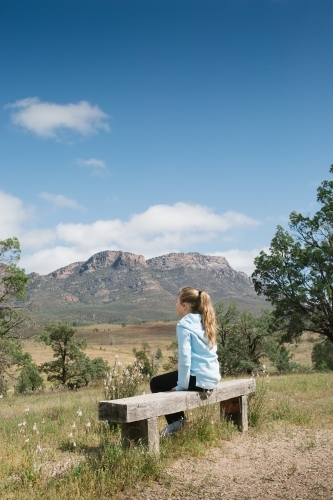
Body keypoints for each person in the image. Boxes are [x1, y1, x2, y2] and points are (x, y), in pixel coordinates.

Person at [150, 286, 221, 437]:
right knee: (166, 382)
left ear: (184, 305)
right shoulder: (206, 320)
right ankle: (178, 422)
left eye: (177, 301)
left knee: (156, 383)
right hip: (212, 378)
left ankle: (177, 423)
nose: (175, 304)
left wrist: (181, 386)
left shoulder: (184, 324)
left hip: (198, 380)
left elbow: (185, 360)